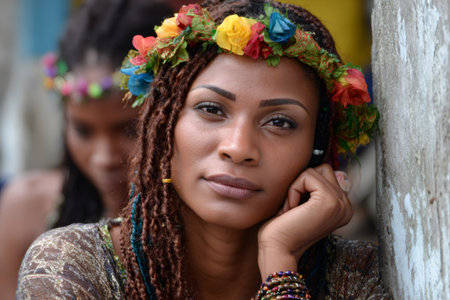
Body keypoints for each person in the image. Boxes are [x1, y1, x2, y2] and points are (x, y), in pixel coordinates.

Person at [17, 0, 390, 299]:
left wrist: (279, 262)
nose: (238, 148)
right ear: (163, 126)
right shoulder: (72, 265)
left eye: (280, 122)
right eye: (211, 110)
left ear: (316, 148)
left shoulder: (355, 277)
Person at [0, 0, 172, 298]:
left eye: (130, 129)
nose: (104, 158)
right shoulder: (24, 210)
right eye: (82, 130)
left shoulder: (212, 232)